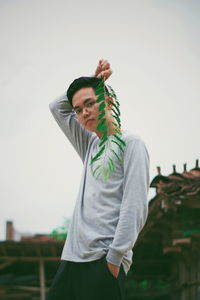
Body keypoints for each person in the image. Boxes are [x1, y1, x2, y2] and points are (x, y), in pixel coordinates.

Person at [46, 59, 150, 300]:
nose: (84, 112)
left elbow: (135, 206)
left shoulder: (132, 144)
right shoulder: (90, 144)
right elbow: (55, 107)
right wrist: (93, 79)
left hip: (103, 261)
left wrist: (114, 259)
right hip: (72, 258)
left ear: (108, 101)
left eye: (90, 103)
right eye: (78, 109)